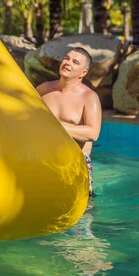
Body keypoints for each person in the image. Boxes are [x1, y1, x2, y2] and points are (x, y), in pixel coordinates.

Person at [36, 47, 102, 196]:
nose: (67, 63)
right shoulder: (43, 90)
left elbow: (93, 133)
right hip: (44, 160)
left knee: (81, 215)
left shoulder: (89, 97)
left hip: (74, 165)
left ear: (83, 73)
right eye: (66, 58)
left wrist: (56, 125)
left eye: (75, 62)